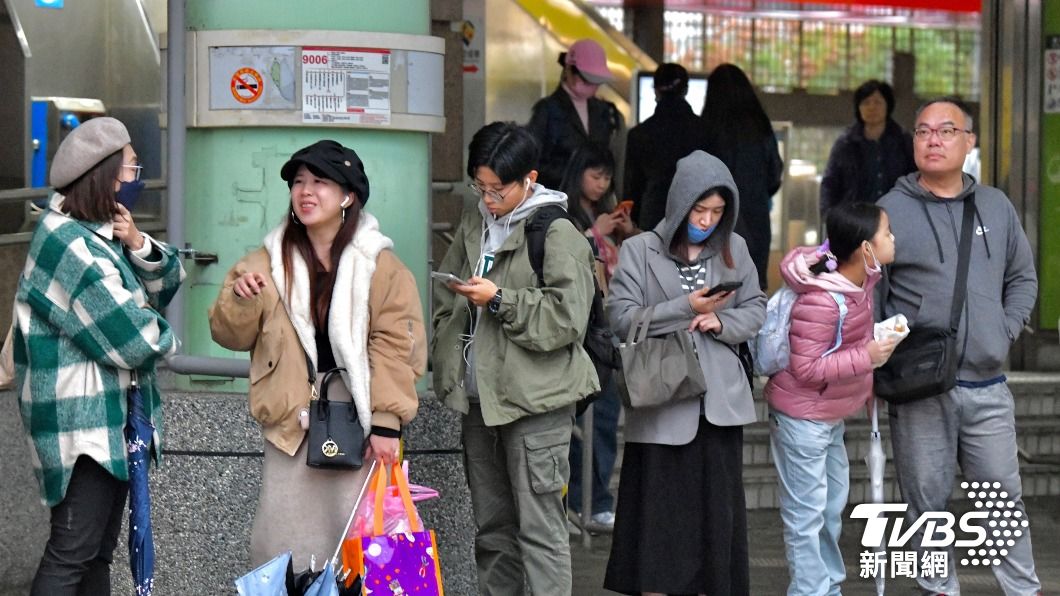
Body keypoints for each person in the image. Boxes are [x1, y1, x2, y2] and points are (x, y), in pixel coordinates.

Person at [208, 140, 427, 570]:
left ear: (348, 196)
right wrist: (241, 300)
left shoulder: (380, 267)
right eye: (299, 182)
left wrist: (386, 422)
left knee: (362, 555)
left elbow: (396, 345)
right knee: (282, 554)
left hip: (359, 429)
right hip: (291, 428)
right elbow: (226, 332)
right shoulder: (265, 263)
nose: (306, 192)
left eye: (320, 182)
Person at [13, 116, 185, 595]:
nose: (137, 178)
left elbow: (166, 285)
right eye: (131, 168)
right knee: (72, 553)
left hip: (107, 420)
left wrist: (135, 242)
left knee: (93, 554)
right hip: (81, 423)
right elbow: (135, 339)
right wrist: (165, 338)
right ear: (106, 175)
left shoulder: (96, 233)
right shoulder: (69, 244)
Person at [876, 97, 1041, 594]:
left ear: (969, 142)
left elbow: (1023, 278)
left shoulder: (995, 205)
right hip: (922, 388)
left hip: (988, 386)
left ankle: (1024, 590)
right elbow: (871, 295)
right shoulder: (890, 210)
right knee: (926, 507)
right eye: (923, 131)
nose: (933, 139)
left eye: (946, 131)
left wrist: (1003, 329)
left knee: (1002, 500)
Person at [431, 121, 599, 595]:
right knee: (492, 531)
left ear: (529, 178)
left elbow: (567, 320)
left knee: (541, 532)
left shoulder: (558, 230)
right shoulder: (474, 222)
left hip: (536, 404)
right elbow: (450, 298)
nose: (487, 199)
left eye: (498, 190)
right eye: (479, 187)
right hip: (479, 399)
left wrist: (501, 299)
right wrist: (448, 334)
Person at [604, 150, 766, 596]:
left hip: (718, 405)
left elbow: (756, 307)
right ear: (680, 205)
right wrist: (685, 309)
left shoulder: (735, 249)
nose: (708, 220)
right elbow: (619, 316)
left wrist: (721, 321)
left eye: (717, 211)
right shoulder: (639, 249)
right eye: (700, 210)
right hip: (661, 401)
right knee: (659, 525)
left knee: (718, 520)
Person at [765, 202, 897, 596]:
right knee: (807, 515)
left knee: (828, 511)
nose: (893, 239)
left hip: (828, 415)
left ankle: (827, 587)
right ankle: (811, 591)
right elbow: (806, 369)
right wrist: (867, 357)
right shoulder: (823, 299)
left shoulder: (861, 282)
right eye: (886, 233)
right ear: (865, 249)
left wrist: (866, 378)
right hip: (801, 417)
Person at [557, 143, 635, 533]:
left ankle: (596, 499)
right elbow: (562, 259)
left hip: (607, 328)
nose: (601, 182)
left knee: (603, 418)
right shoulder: (564, 213)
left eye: (606, 176)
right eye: (594, 174)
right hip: (581, 328)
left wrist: (625, 232)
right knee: (588, 418)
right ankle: (581, 501)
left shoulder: (608, 211)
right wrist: (594, 233)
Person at [701, 63, 783, 290]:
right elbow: (775, 174)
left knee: (715, 292)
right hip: (756, 218)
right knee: (752, 290)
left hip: (714, 222)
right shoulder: (761, 127)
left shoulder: (705, 128)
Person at [527, 38, 624, 191]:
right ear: (568, 70)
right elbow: (532, 160)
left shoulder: (603, 111)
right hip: (558, 195)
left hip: (594, 201)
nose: (592, 87)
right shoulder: (546, 110)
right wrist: (574, 175)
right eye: (586, 80)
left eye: (596, 82)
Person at [624, 62, 711, 231]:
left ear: (655, 90)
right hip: (694, 218)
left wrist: (631, 226)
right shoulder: (705, 131)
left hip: (652, 219)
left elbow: (632, 188)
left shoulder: (639, 134)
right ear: (686, 90)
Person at [818, 80, 916, 220]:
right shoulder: (846, 143)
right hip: (855, 221)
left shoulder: (903, 141)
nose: (872, 107)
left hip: (896, 219)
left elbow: (917, 178)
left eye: (877, 102)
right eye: (866, 102)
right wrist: (829, 215)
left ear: (888, 105)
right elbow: (830, 182)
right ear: (858, 108)